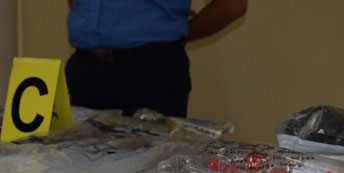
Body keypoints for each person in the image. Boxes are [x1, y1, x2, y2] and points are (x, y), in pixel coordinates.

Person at [65, 0, 248, 117]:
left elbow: (232, 6)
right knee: (76, 161)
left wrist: (177, 34)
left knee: (151, 164)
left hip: (150, 72)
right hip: (84, 70)